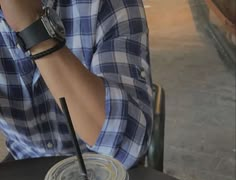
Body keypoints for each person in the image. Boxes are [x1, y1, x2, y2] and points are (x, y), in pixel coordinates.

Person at [0, 0, 153, 169]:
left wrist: (33, 28)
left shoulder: (106, 4)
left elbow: (129, 145)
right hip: (24, 161)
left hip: (105, 170)